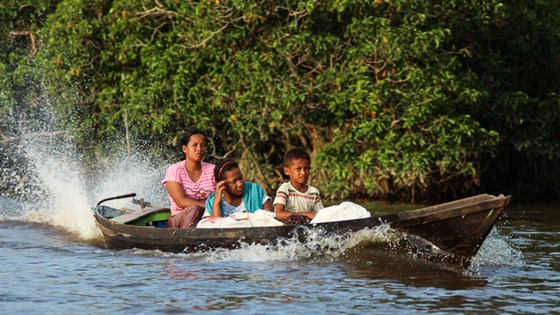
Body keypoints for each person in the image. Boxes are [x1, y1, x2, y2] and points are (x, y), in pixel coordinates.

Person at [162, 128, 216, 228]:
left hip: (208, 219)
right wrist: (210, 207)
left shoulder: (212, 170)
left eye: (203, 145)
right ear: (184, 149)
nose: (199, 149)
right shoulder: (175, 170)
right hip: (178, 222)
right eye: (194, 145)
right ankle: (187, 241)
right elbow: (181, 201)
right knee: (195, 209)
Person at [205, 159, 274, 217]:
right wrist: (216, 203)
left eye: (241, 178)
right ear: (222, 184)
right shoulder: (212, 201)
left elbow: (270, 218)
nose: (240, 184)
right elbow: (214, 229)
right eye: (234, 181)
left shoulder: (253, 191)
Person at [274, 147, 324, 224]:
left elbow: (321, 215)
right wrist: (305, 214)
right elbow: (279, 214)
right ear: (287, 171)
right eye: (298, 169)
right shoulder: (285, 189)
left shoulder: (314, 192)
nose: (303, 172)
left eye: (306, 168)